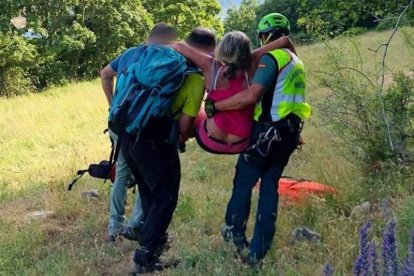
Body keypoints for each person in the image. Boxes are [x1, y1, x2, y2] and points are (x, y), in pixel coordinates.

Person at [212, 13, 312, 265]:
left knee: (244, 181)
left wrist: (218, 107)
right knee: (270, 187)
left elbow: (251, 96)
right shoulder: (296, 61)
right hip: (289, 134)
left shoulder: (272, 58)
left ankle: (235, 234)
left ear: (264, 35)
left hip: (267, 133)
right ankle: (258, 252)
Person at [122, 28, 216, 274]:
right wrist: (188, 135)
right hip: (156, 143)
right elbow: (185, 125)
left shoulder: (153, 58)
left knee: (149, 194)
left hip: (128, 137)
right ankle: (144, 260)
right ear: (206, 51)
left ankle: (153, 244)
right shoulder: (194, 77)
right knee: (165, 199)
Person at [100, 23, 178, 243]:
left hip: (119, 122)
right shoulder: (166, 58)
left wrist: (112, 104)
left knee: (122, 174)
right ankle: (135, 225)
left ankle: (114, 227)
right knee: (147, 178)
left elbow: (105, 74)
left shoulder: (130, 53)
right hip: (145, 129)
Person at [172, 31, 296, 154]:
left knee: (199, 106)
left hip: (210, 140)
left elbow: (179, 46)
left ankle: (182, 138)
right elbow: (285, 40)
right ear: (246, 50)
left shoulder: (211, 65)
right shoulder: (253, 60)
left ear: (221, 48)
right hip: (240, 144)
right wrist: (296, 62)